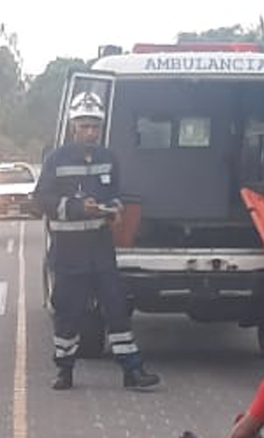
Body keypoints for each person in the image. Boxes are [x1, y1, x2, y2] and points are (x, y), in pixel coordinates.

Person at [34, 91, 160, 391]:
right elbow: (41, 200)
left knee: (117, 310)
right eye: (85, 126)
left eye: (95, 126)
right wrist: (77, 208)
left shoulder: (108, 159)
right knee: (67, 313)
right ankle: (64, 370)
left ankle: (132, 370)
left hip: (101, 252)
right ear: (73, 126)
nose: (90, 132)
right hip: (68, 254)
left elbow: (117, 195)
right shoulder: (57, 159)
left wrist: (113, 210)